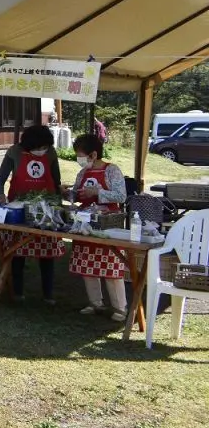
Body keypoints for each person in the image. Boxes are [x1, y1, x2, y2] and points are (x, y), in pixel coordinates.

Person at [0, 124, 65, 305]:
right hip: (19, 207)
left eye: (45, 148)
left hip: (45, 207)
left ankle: (48, 295)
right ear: (29, 144)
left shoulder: (50, 154)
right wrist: (0, 195)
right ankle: (18, 292)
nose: (42, 151)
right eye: (39, 148)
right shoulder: (14, 152)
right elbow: (1, 178)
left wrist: (58, 205)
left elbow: (56, 181)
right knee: (17, 251)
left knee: (47, 254)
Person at [68, 133, 129, 321]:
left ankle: (120, 308)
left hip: (108, 223)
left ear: (93, 155)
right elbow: (77, 193)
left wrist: (98, 192)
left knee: (111, 265)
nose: (79, 159)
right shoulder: (83, 172)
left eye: (81, 155)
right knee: (87, 263)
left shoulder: (112, 170)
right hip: (86, 222)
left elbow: (121, 196)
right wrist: (70, 194)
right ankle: (95, 303)